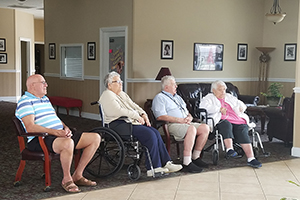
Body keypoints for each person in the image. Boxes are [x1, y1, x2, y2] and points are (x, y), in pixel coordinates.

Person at [15, 74, 101, 193]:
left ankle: (78, 175)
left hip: (57, 135)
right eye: (43, 82)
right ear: (32, 86)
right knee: (67, 143)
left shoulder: (45, 99)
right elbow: (30, 127)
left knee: (95, 138)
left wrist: (66, 128)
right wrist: (56, 132)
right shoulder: (25, 101)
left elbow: (55, 118)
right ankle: (66, 179)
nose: (46, 85)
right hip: (39, 139)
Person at [99, 71, 182, 177]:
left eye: (121, 81)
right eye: (117, 81)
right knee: (149, 135)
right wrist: (136, 116)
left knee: (155, 132)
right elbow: (118, 111)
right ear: (109, 85)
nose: (121, 83)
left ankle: (166, 162)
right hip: (118, 124)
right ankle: (153, 168)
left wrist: (143, 114)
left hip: (129, 123)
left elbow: (134, 105)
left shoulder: (121, 94)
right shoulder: (107, 95)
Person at [152, 75, 210, 173]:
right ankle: (187, 162)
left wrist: (189, 117)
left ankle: (195, 157)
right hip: (169, 125)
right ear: (166, 87)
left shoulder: (178, 97)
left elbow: (187, 112)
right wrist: (179, 120)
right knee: (191, 129)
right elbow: (160, 116)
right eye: (174, 84)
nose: (176, 86)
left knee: (205, 128)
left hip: (185, 123)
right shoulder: (160, 98)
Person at [199, 80, 262, 168]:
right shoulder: (208, 98)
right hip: (221, 119)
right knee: (226, 124)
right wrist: (219, 108)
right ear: (213, 90)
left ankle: (251, 158)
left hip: (236, 119)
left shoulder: (229, 97)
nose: (223, 92)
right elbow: (203, 108)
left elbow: (241, 104)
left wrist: (241, 108)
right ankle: (230, 149)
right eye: (220, 90)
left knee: (243, 130)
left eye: (224, 89)